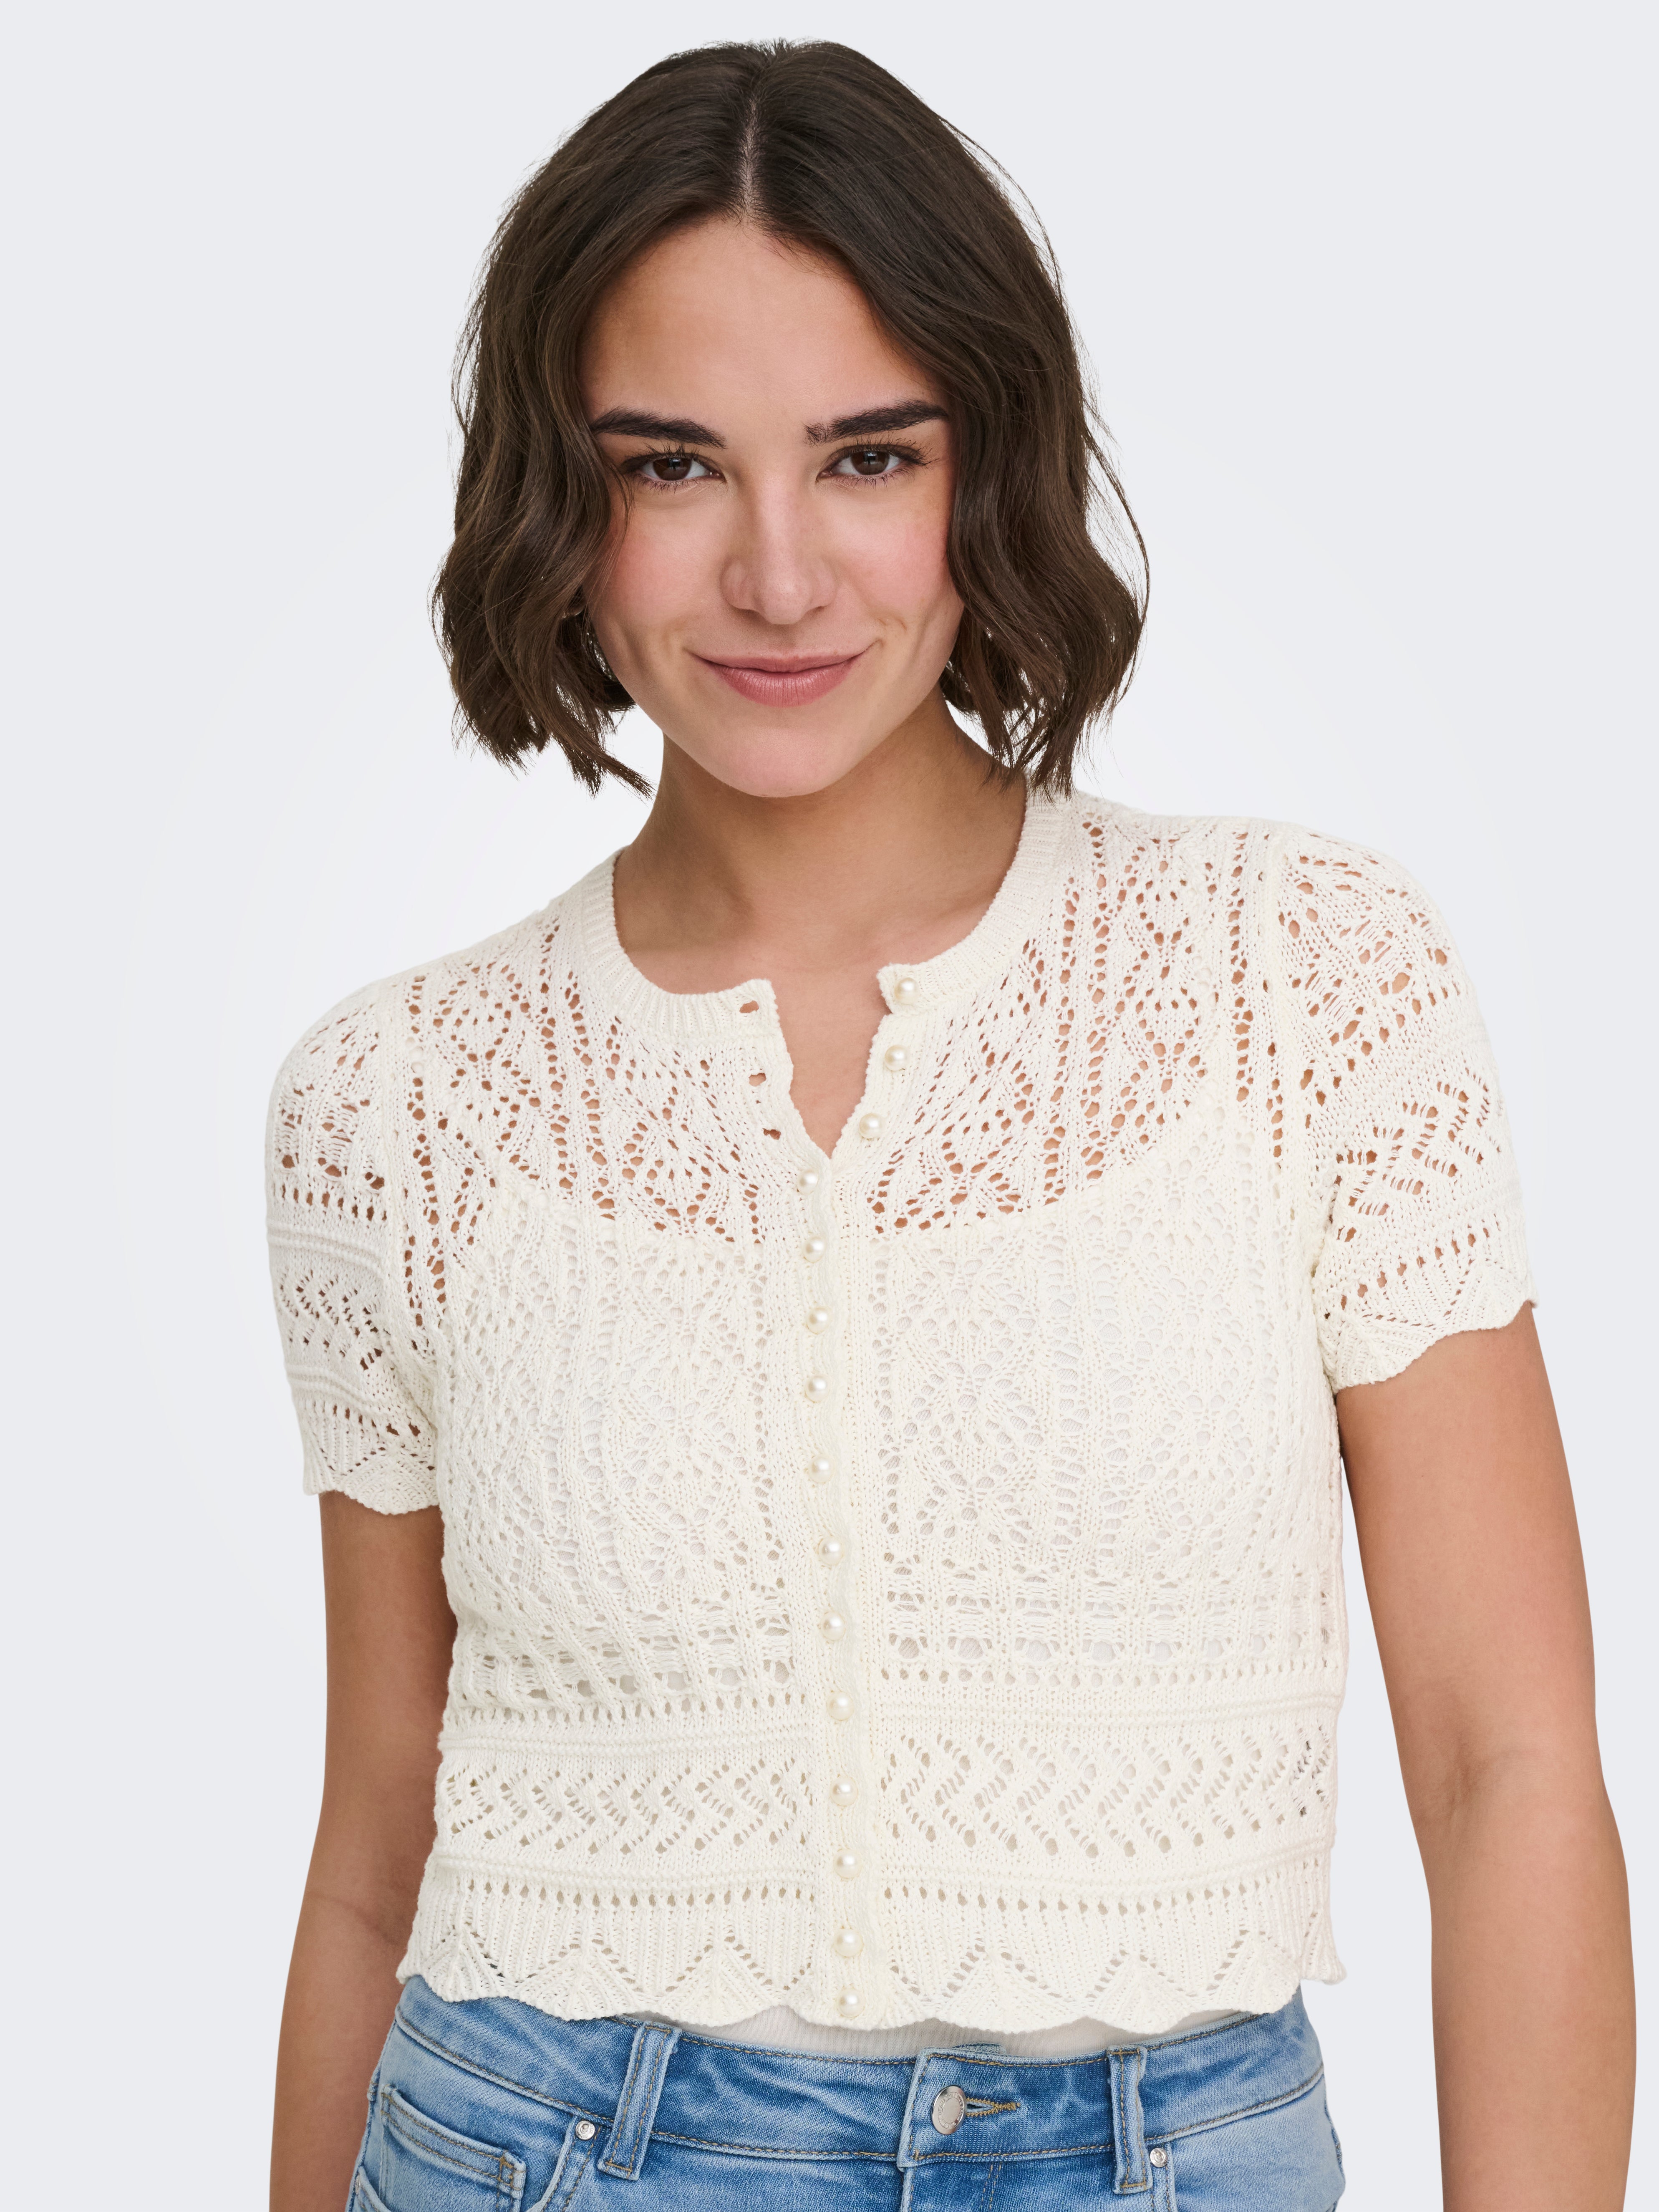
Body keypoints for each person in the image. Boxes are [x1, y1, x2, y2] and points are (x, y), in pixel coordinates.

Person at [265, 40, 1634, 2212]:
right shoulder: (397, 1103)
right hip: (541, 2149)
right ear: (560, 504)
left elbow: (1509, 1769)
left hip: (1167, 2157)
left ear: (983, 469)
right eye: (673, 467)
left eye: (866, 456)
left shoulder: (1300, 979)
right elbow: (375, 1849)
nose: (779, 574)